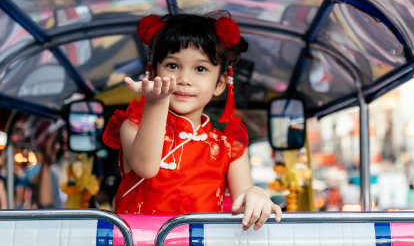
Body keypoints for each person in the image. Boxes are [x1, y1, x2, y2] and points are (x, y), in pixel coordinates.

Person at [103, 12, 282, 230]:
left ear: (220, 84)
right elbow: (146, 167)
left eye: (200, 69)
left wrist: (257, 194)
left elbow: (243, 200)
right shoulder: (132, 126)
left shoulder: (229, 147)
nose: (184, 79)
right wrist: (157, 101)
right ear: (151, 73)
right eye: (172, 65)